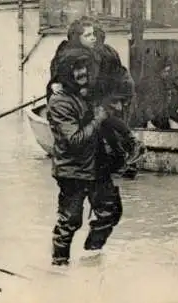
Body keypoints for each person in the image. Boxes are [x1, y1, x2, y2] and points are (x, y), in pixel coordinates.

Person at [46, 47, 123, 267]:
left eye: (84, 68)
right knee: (70, 221)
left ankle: (91, 254)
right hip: (73, 170)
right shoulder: (60, 102)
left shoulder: (85, 92)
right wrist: (97, 119)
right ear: (66, 73)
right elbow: (75, 140)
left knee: (111, 212)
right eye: (76, 69)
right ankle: (59, 265)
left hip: (97, 166)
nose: (83, 73)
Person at [47, 18, 146, 170]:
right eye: (88, 35)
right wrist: (54, 83)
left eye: (93, 35)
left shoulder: (101, 53)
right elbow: (58, 72)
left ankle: (124, 151)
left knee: (101, 119)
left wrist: (109, 97)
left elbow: (107, 78)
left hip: (103, 95)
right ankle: (123, 153)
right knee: (98, 123)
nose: (93, 39)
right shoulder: (68, 52)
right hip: (83, 98)